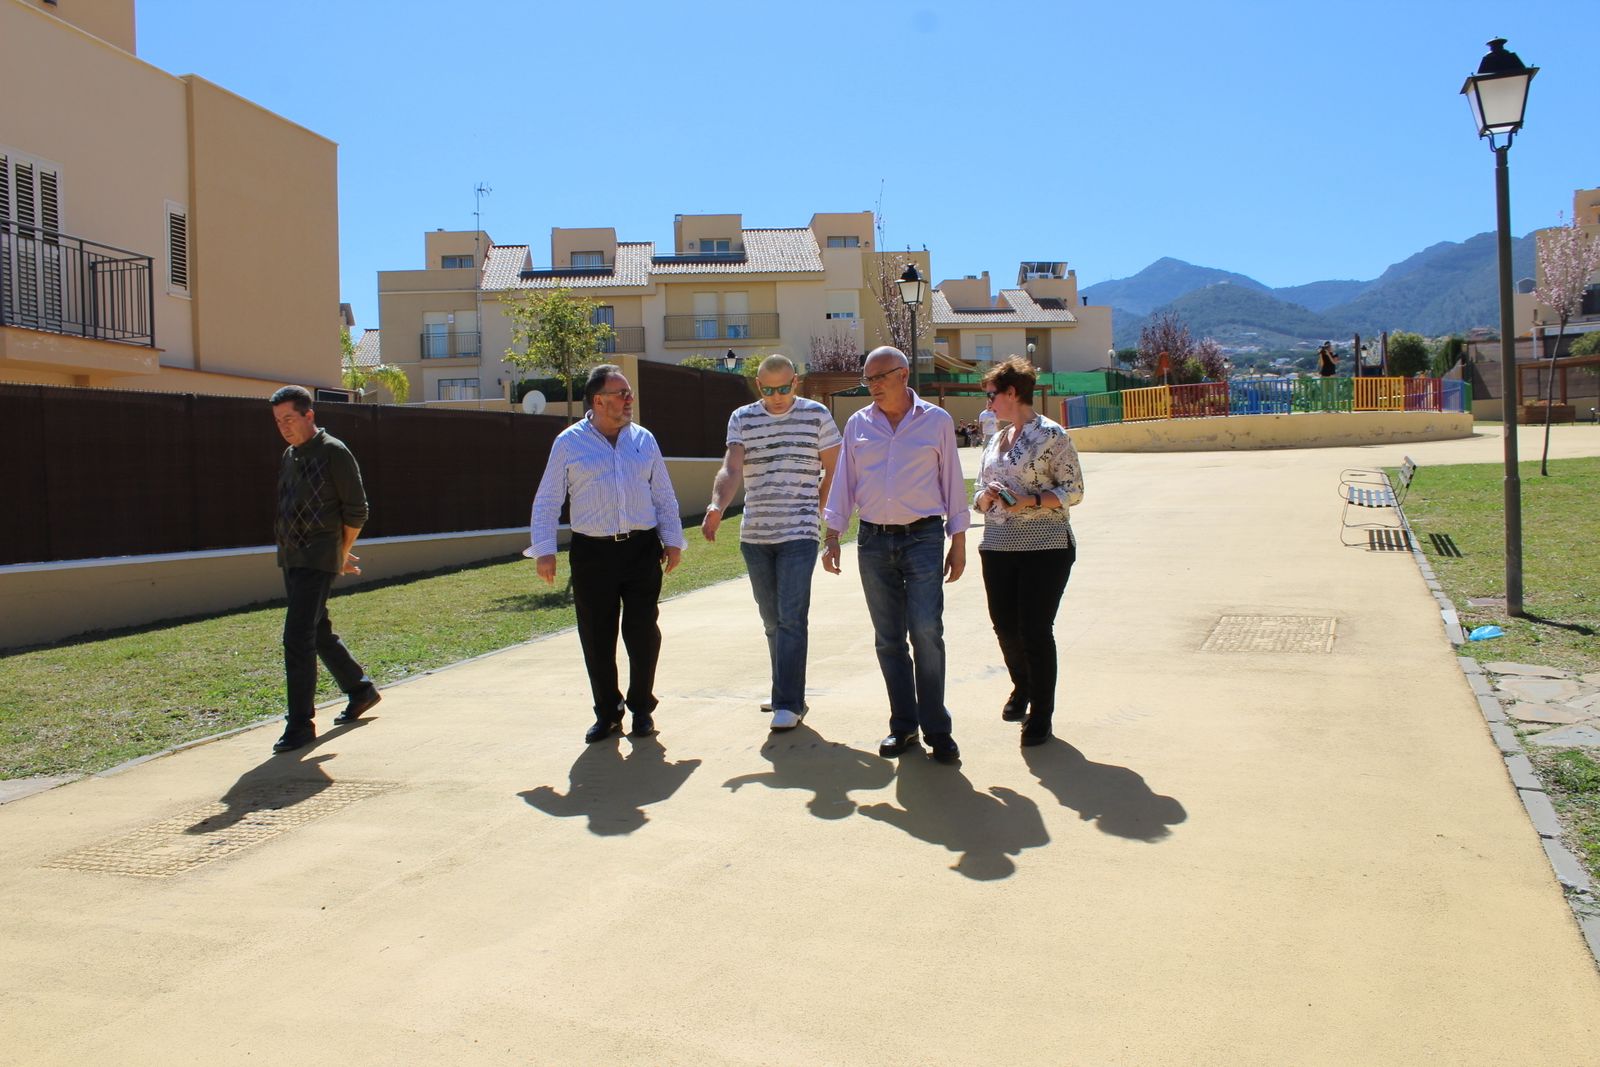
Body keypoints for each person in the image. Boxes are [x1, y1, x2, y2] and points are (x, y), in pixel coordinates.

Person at [822, 346, 969, 764]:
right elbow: (844, 483)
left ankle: (937, 728)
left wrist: (958, 542)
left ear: (903, 375)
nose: (872, 386)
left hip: (923, 538)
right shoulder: (857, 423)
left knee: (925, 632)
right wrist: (833, 535)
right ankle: (903, 727)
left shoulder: (936, 422)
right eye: (867, 379)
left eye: (879, 377)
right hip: (873, 541)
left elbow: (952, 482)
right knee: (889, 639)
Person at [529, 365, 685, 743]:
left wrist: (673, 540)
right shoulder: (569, 442)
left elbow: (662, 494)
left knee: (643, 632)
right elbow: (549, 498)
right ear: (598, 400)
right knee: (597, 637)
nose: (629, 399)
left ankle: (642, 708)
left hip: (641, 549)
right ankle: (608, 712)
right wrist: (544, 550)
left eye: (629, 392)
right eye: (621, 393)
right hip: (592, 553)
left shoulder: (644, 440)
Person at [703, 355, 841, 731]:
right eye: (769, 389)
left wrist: (822, 511)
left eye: (784, 388)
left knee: (791, 618)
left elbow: (835, 465)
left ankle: (789, 702)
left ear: (795, 382)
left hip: (798, 532)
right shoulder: (742, 418)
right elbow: (732, 467)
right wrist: (717, 504)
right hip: (755, 534)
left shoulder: (816, 416)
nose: (777, 396)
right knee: (771, 620)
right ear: (758, 386)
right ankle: (785, 689)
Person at [972, 357, 1086, 746]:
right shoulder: (994, 440)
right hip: (998, 545)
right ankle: (1022, 687)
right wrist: (985, 498)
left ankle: (1042, 713)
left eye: (991, 395)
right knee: (1005, 626)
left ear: (1011, 393)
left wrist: (1030, 500)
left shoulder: (1053, 436)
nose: (988, 404)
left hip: (1045, 546)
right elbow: (978, 490)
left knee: (1035, 630)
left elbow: (1075, 491)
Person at [268, 385, 380, 754]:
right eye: (278, 421)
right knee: (316, 630)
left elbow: (356, 510)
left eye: (289, 419)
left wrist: (338, 551)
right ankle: (360, 689)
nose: (284, 427)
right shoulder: (290, 454)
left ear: (309, 415)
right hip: (293, 557)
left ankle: (300, 724)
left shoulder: (334, 451)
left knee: (296, 637)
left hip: (317, 558)